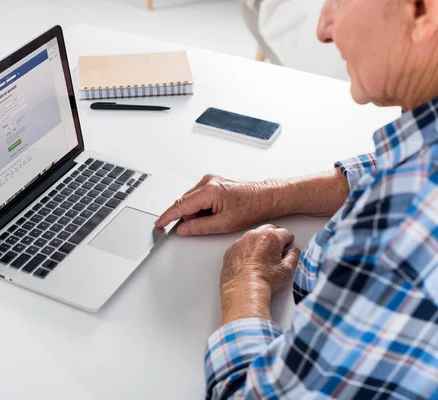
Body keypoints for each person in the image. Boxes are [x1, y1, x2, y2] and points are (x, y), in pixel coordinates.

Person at [155, 0, 438, 397]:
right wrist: (267, 196)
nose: (323, 29)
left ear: (422, 12)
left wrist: (245, 285)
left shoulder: (395, 246)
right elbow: (398, 163)